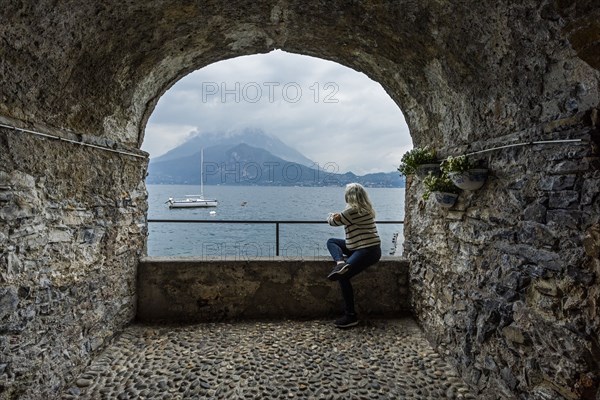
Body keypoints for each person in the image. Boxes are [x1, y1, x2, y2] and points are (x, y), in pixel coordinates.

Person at [326, 183, 381, 328]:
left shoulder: (351, 212)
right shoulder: (367, 210)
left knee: (343, 277)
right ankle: (340, 264)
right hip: (368, 248)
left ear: (348, 197)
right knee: (332, 241)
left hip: (366, 251)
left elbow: (332, 222)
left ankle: (351, 316)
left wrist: (332, 215)